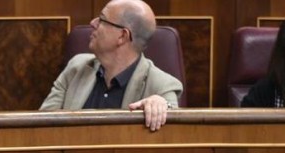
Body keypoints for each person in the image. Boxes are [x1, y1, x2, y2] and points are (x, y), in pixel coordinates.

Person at [39, 0, 182, 132]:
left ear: (122, 36)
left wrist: (163, 106)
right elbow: (41, 126)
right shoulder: (76, 67)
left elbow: (171, 122)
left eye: (101, 19)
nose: (92, 23)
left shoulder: (162, 86)